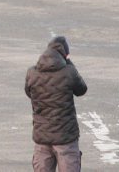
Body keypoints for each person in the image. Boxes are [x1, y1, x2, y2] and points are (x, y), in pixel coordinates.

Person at [25, 36, 88, 172]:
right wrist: (69, 62)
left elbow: (29, 93)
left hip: (42, 136)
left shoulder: (32, 73)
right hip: (65, 137)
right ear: (64, 54)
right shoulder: (69, 72)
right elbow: (82, 89)